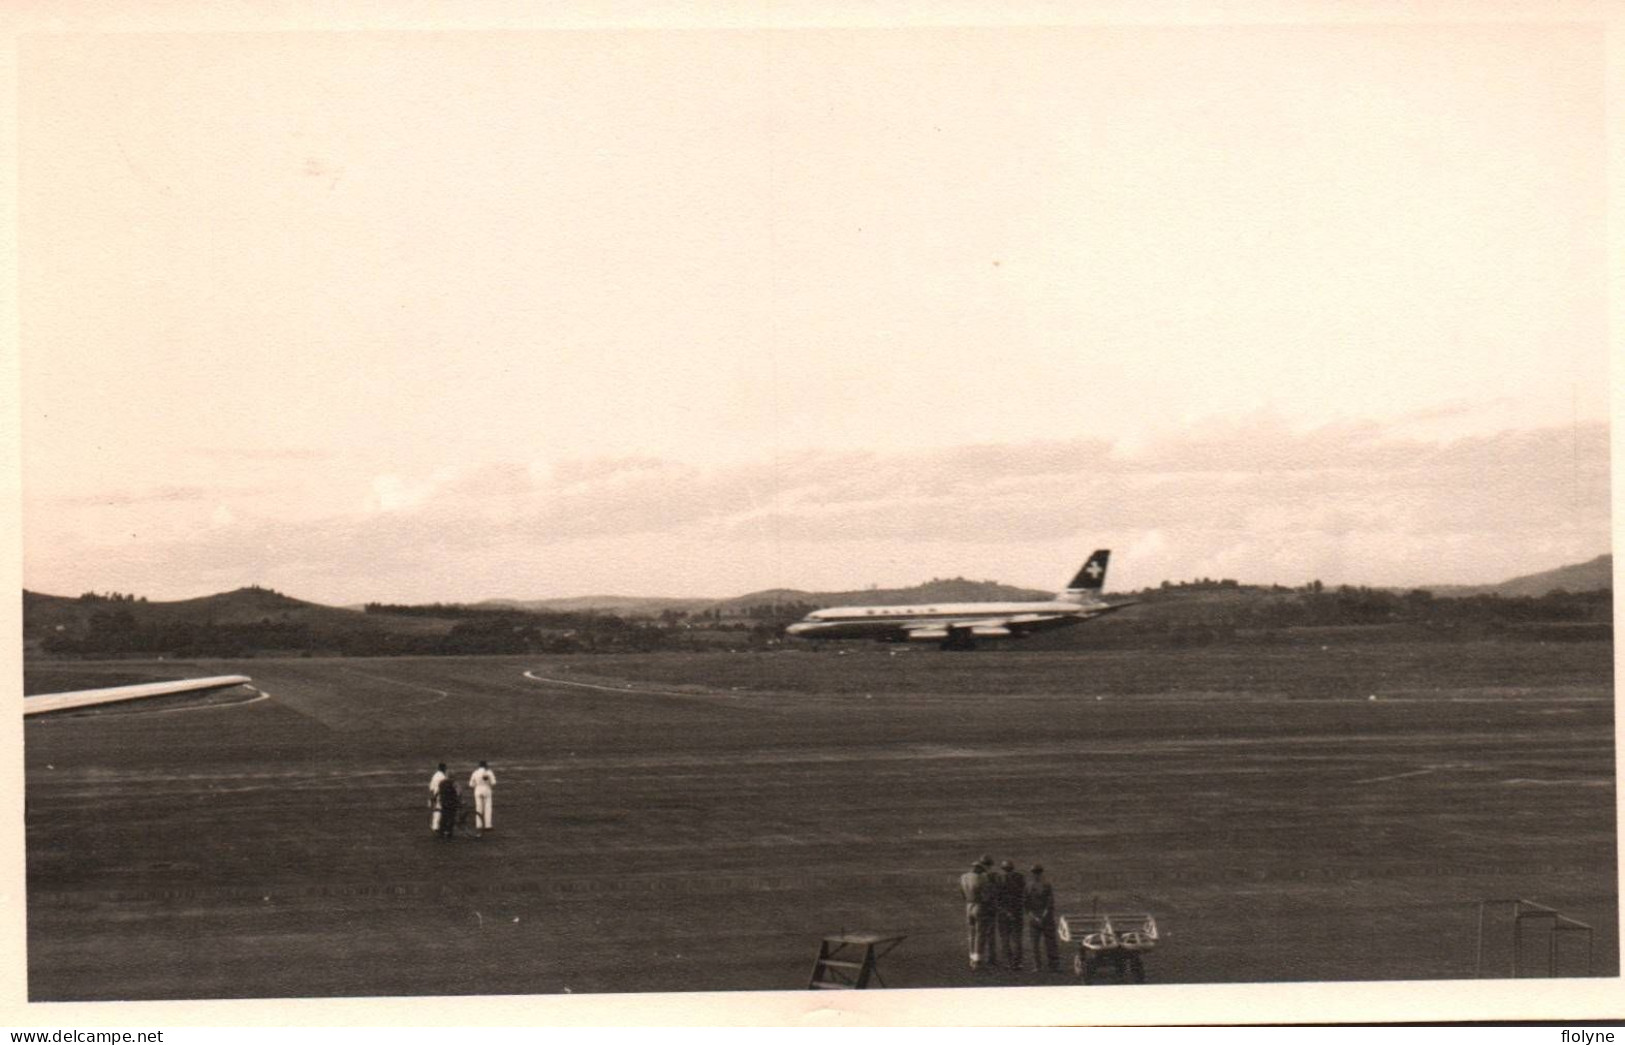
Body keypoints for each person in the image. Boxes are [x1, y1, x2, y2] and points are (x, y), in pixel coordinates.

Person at [958, 860, 995, 971]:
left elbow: (962, 893)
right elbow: (986, 896)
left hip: (968, 905)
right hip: (979, 906)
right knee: (980, 934)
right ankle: (977, 960)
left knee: (971, 933)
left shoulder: (963, 877)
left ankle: (971, 957)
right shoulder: (982, 878)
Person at [1025, 864, 1060, 972]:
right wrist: (1043, 915)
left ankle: (1037, 966)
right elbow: (1050, 903)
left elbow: (1026, 904)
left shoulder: (1028, 886)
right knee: (1050, 942)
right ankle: (1053, 965)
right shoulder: (1047, 885)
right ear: (1041, 873)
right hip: (1046, 918)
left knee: (1034, 944)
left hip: (1034, 918)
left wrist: (1033, 916)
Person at [995, 859, 1026, 970]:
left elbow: (997, 898)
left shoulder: (998, 879)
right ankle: (1018, 963)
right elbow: (1022, 895)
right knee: (1017, 938)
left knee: (1005, 938)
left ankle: (1008, 962)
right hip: (1017, 911)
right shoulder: (1019, 877)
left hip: (1003, 912)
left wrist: (1005, 911)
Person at [468, 760, 497, 832]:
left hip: (477, 790)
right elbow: (494, 783)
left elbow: (471, 784)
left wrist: (477, 785)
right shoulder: (489, 772)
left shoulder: (475, 772)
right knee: (488, 808)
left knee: (478, 808)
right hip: (487, 790)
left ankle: (479, 825)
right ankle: (488, 825)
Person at [436, 775, 461, 840]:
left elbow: (438, 792)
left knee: (444, 817)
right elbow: (458, 792)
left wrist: (435, 798)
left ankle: (441, 832)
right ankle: (449, 832)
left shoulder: (441, 783)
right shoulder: (454, 783)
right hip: (452, 803)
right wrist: (459, 801)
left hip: (444, 802)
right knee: (452, 817)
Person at [428, 763, 448, 833]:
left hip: (435, 794)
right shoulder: (443, 777)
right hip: (441, 794)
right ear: (443, 769)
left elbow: (431, 787)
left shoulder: (435, 776)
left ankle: (435, 826)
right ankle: (438, 826)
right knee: (441, 811)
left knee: (436, 810)